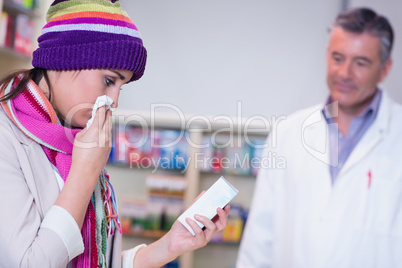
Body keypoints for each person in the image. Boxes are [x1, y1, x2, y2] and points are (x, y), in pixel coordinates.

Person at [0, 0, 229, 267]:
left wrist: (169, 245)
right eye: (109, 80)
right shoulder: (7, 138)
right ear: (63, 59)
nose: (115, 101)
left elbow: (95, 258)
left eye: (122, 86)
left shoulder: (74, 139)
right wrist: (83, 174)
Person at [237, 7, 402, 268]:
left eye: (360, 63)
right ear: (327, 56)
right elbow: (260, 237)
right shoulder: (288, 133)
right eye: (338, 58)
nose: (345, 73)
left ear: (384, 69)